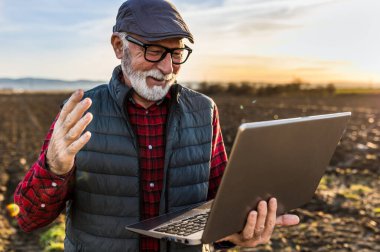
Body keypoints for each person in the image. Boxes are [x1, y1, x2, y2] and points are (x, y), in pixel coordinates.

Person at [14, 0, 299, 251]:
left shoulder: (204, 111)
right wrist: (54, 168)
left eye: (176, 54)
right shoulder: (79, 113)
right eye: (153, 51)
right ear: (118, 46)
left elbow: (218, 207)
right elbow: (28, 218)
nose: (166, 68)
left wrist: (234, 233)